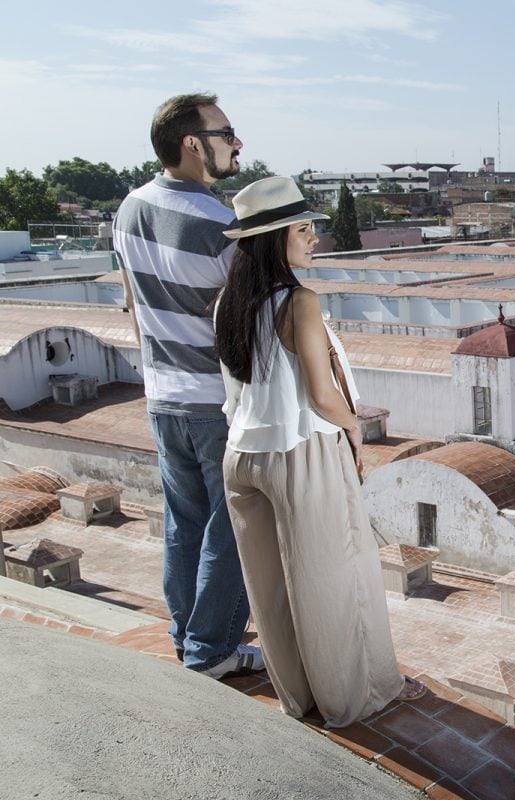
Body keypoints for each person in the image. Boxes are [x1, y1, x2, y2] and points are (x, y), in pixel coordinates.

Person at [213, 176, 424, 727]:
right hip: (299, 452)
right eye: (303, 229)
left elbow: (235, 392)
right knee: (336, 577)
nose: (314, 240)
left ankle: (299, 697)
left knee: (272, 585)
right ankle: (355, 699)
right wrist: (354, 428)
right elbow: (321, 393)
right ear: (274, 238)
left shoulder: (229, 303)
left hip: (242, 456)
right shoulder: (299, 302)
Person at [113, 93, 263, 679]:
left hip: (162, 398)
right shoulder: (222, 222)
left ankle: (186, 637)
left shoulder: (127, 209)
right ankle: (211, 652)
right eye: (226, 133)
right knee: (232, 529)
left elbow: (132, 305)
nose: (238, 143)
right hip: (214, 403)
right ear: (192, 144)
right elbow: (248, 322)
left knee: (185, 523)